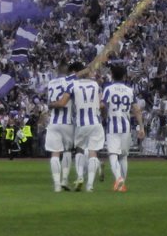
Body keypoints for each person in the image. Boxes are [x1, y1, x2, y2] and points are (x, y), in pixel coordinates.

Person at [102, 64, 144, 192]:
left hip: (113, 126)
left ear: (112, 75)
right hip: (126, 126)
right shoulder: (129, 90)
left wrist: (104, 116)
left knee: (113, 154)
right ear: (124, 76)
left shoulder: (108, 89)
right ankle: (122, 184)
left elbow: (103, 106)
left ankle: (118, 178)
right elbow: (136, 109)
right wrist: (141, 127)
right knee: (124, 156)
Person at [67, 62, 104, 192]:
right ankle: (90, 185)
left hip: (81, 123)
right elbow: (101, 104)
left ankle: (80, 176)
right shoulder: (95, 85)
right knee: (93, 152)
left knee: (79, 150)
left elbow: (66, 100)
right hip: (95, 122)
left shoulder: (72, 84)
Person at [45, 62, 74, 192]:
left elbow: (49, 102)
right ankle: (64, 180)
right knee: (67, 151)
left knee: (55, 153)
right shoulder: (71, 82)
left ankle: (57, 184)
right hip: (67, 121)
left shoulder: (51, 83)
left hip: (53, 122)